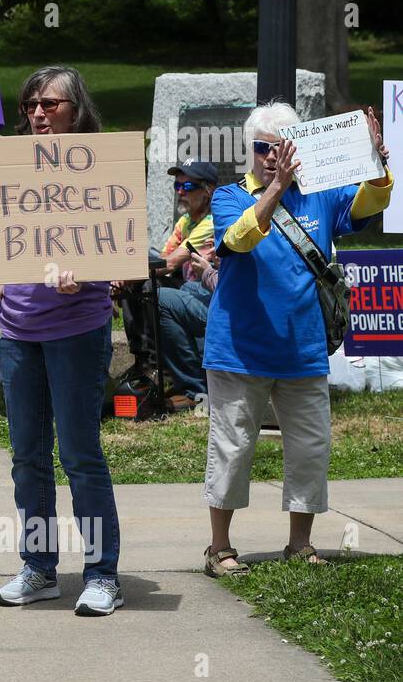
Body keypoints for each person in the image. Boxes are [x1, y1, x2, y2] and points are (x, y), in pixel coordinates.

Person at [201, 101, 392, 576]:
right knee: (232, 447)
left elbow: (371, 204)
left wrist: (377, 165)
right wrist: (278, 187)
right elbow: (239, 240)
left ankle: (300, 543)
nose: (271, 157)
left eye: (281, 149)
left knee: (309, 448)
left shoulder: (320, 194)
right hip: (238, 349)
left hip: (303, 349)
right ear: (251, 149)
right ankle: (219, 548)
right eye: (264, 148)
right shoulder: (228, 197)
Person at [0, 65, 123, 616]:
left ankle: (103, 574)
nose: (38, 113)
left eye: (50, 104)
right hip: (18, 328)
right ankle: (39, 568)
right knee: (28, 458)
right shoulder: (15, 164)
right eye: (31, 104)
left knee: (80, 455)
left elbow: (119, 244)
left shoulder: (103, 167)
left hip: (76, 330)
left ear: (76, 108)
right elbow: (7, 239)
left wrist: (88, 270)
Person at [114, 159, 218, 377]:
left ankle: (156, 363)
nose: (180, 192)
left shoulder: (211, 222)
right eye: (176, 186)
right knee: (144, 276)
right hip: (188, 286)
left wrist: (123, 279)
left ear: (208, 191)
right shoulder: (185, 221)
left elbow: (169, 263)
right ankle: (144, 358)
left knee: (146, 281)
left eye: (187, 186)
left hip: (206, 292)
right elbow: (161, 259)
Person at [157, 249, 217, 402]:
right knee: (188, 288)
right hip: (227, 290)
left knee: (161, 298)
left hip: (237, 309)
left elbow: (233, 290)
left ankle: (195, 388)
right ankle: (199, 376)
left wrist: (207, 272)